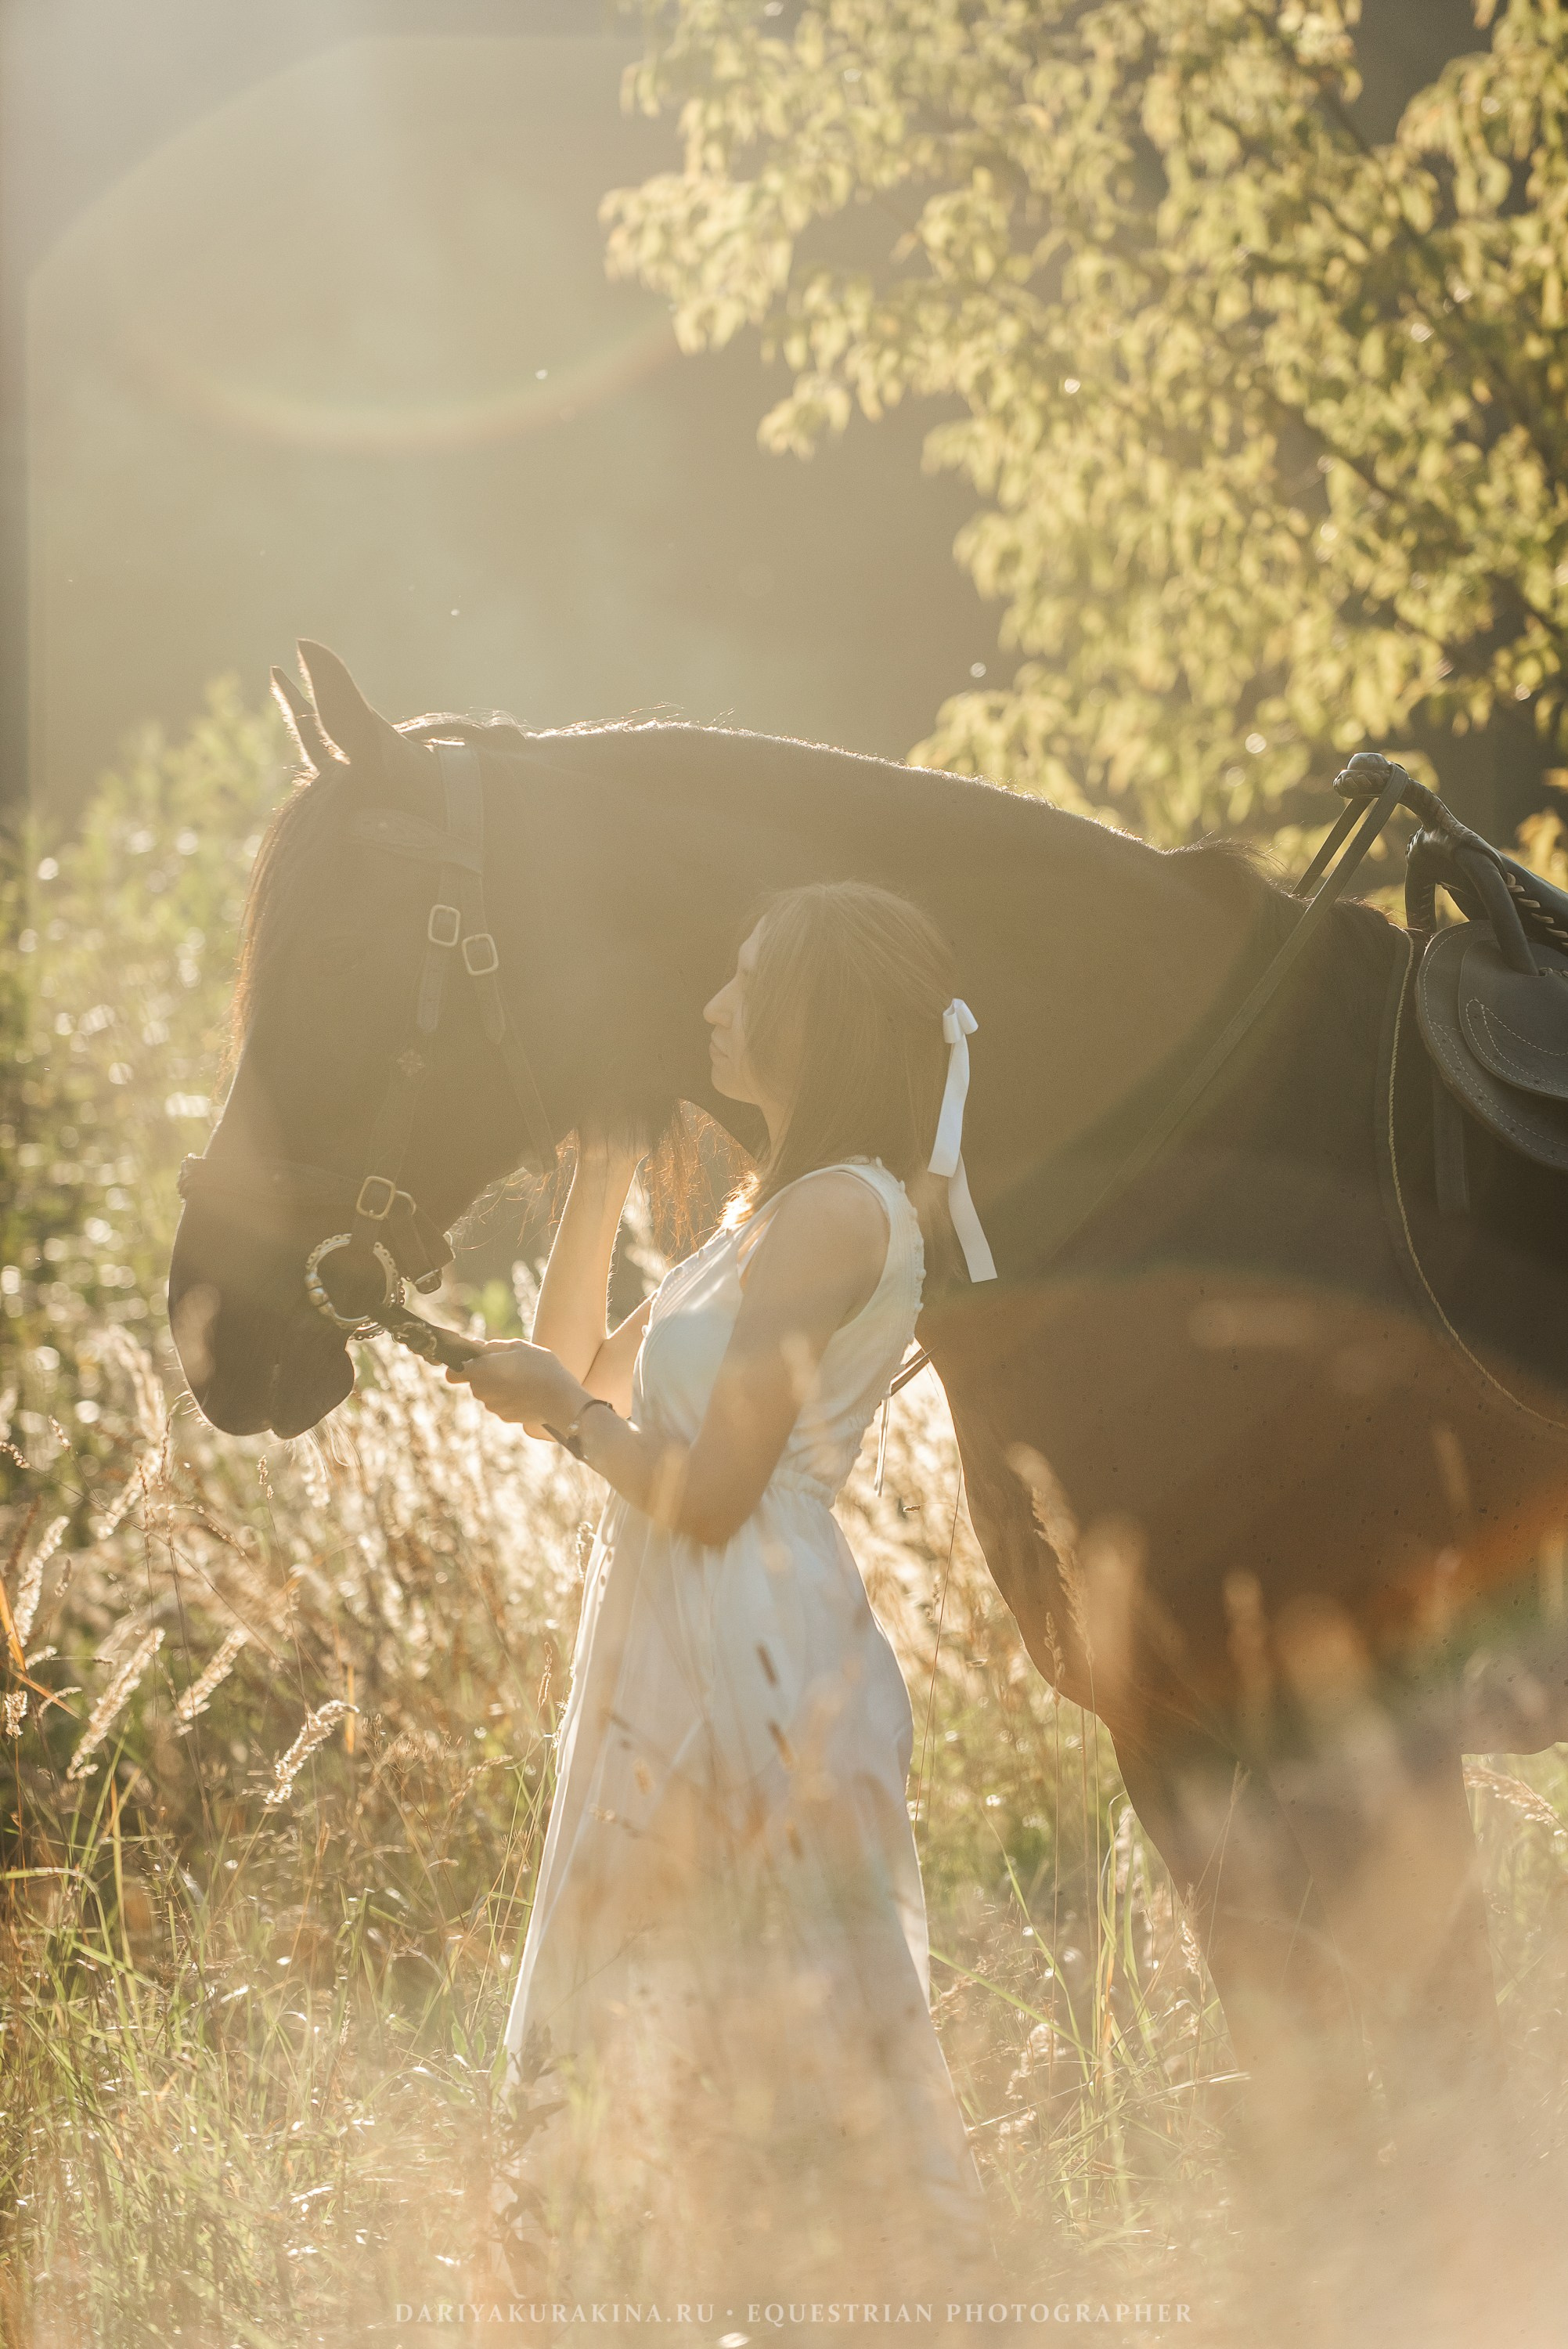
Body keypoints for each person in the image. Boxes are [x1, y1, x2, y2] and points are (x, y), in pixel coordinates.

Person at [449, 879, 998, 2305]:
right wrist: (605, 1167)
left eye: (746, 981)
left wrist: (573, 1421)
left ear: (815, 1016)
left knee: (779, 2001)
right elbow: (579, 1361)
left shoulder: (839, 1214)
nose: (710, 1006)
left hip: (759, 1632)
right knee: (660, 1985)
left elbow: (712, 1490)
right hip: (679, 1624)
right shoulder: (762, 1217)